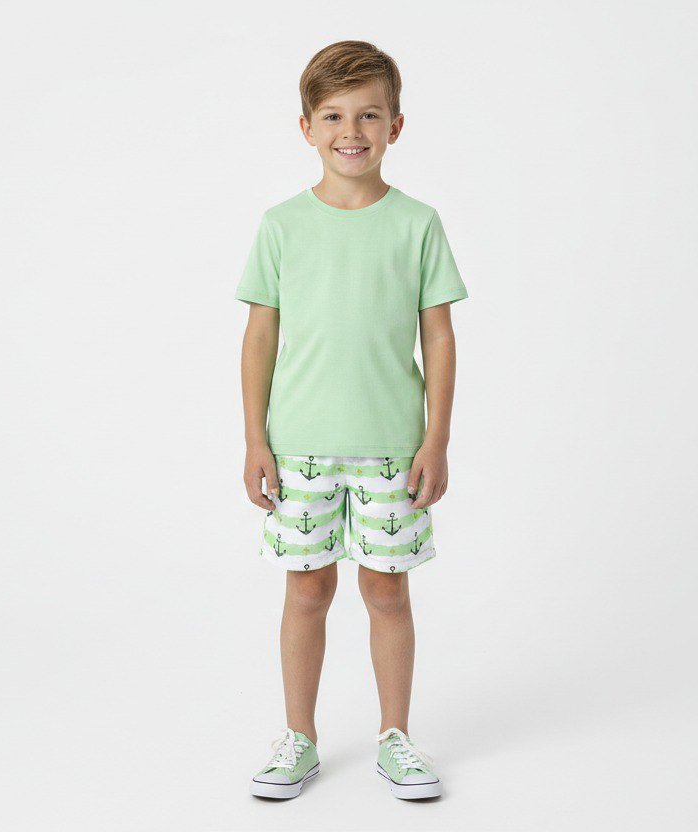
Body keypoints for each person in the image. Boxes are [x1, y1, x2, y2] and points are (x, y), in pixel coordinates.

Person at [237, 40, 467, 801]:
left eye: (369, 115)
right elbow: (260, 335)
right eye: (334, 116)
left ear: (395, 126)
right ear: (306, 127)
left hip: (392, 448)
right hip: (299, 448)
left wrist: (435, 438)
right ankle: (298, 738)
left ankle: (395, 736)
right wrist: (255, 439)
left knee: (388, 593)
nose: (352, 131)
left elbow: (438, 336)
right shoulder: (281, 225)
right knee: (306, 592)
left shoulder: (417, 224)